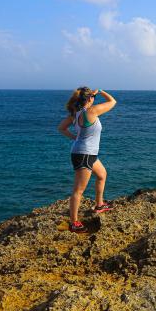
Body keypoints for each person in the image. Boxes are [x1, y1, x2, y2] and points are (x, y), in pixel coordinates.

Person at [58, 86, 117, 233]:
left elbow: (61, 128)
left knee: (102, 175)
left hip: (86, 153)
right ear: (90, 98)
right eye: (93, 97)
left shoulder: (75, 114)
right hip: (84, 154)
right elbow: (113, 101)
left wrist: (75, 138)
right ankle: (74, 223)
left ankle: (99, 205)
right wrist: (101, 91)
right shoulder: (92, 111)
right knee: (78, 191)